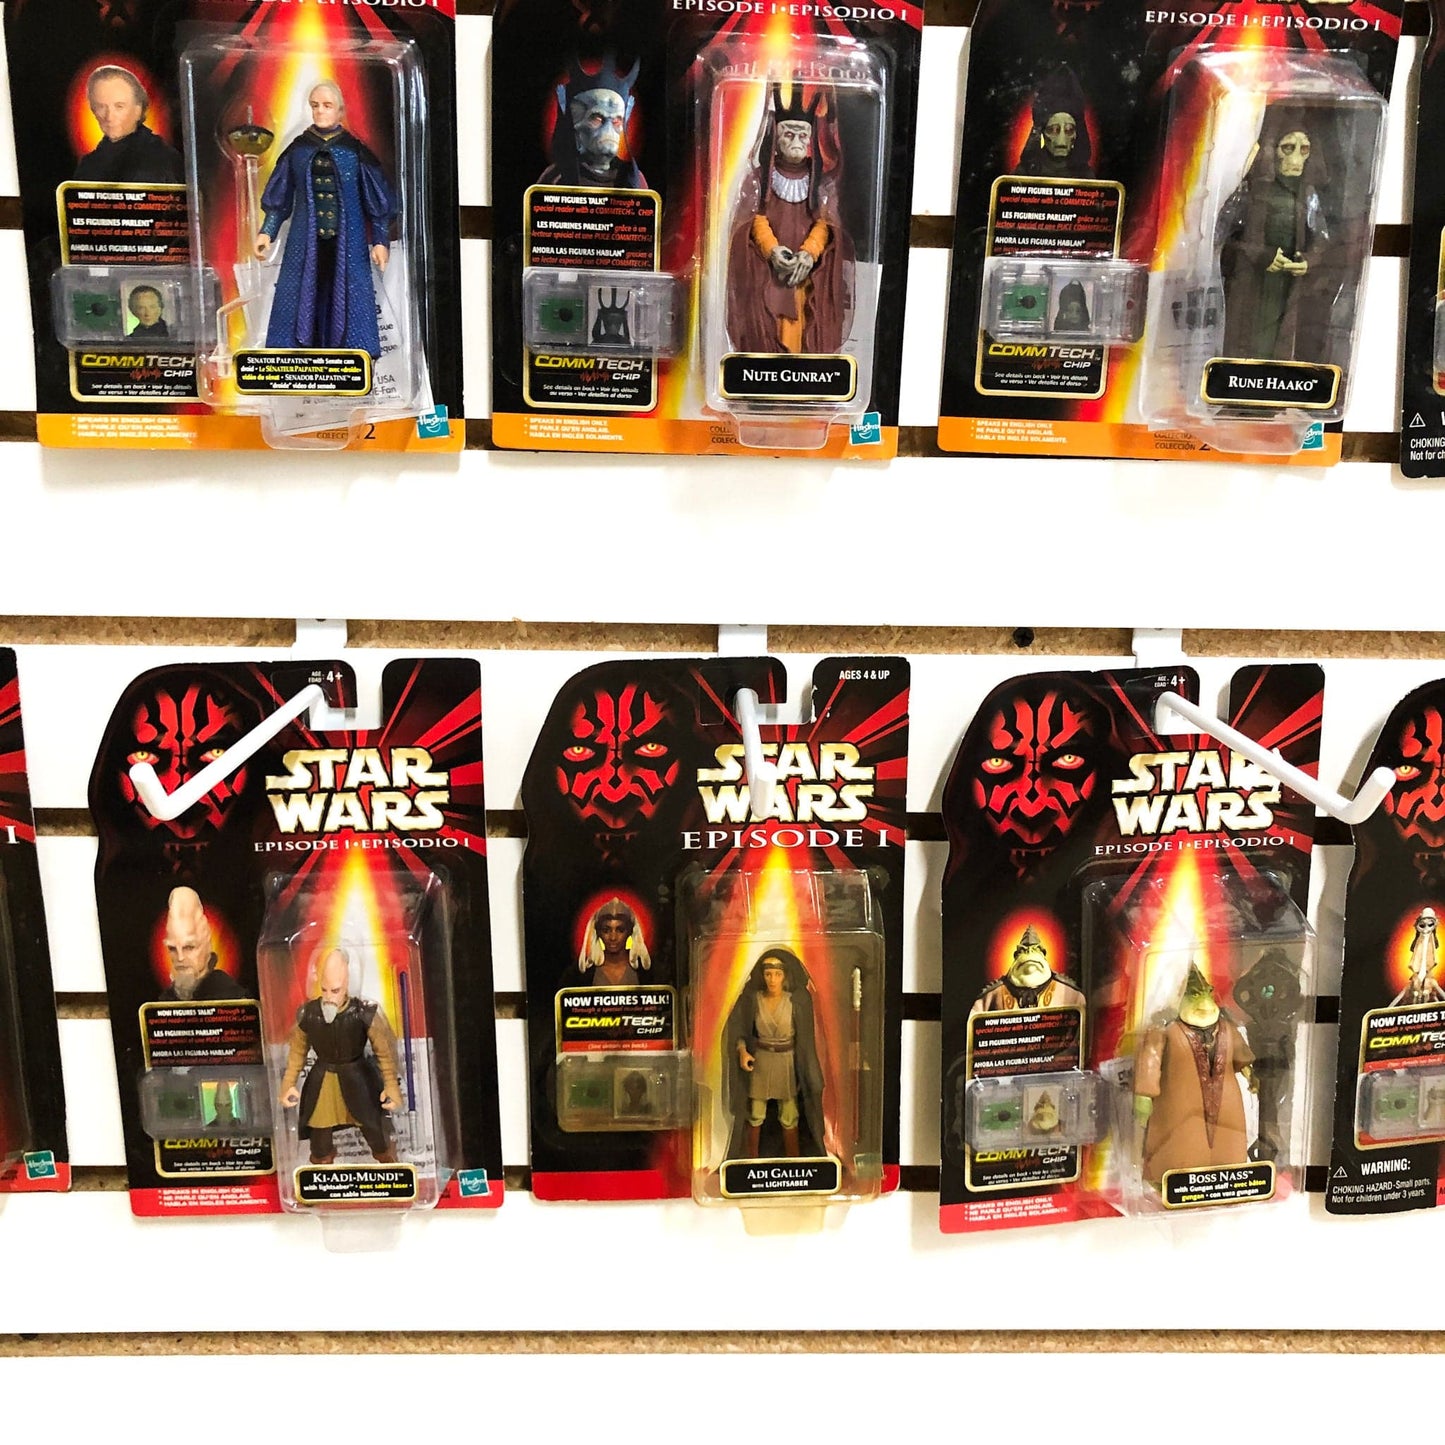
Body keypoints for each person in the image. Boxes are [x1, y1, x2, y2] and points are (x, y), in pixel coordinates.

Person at [253, 81, 397, 360]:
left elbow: (376, 199)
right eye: (315, 105)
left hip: (349, 241)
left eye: (327, 105)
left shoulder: (354, 151)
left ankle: (353, 354)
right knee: (302, 292)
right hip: (305, 240)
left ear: (340, 110)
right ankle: (296, 354)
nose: (320, 111)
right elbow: (281, 195)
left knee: (349, 293)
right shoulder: (298, 150)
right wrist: (267, 231)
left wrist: (380, 240)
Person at [726, 83, 852, 357]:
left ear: (810, 139)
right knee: (768, 328)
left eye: (802, 135)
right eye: (789, 134)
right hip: (769, 274)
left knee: (806, 330)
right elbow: (753, 219)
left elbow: (825, 223)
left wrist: (809, 254)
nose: (796, 141)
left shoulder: (821, 182)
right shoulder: (759, 179)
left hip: (807, 276)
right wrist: (772, 251)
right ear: (777, 136)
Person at [1134, 963, 1256, 1186]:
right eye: (1195, 995)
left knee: (1229, 1142)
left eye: (1207, 993)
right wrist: (1144, 1096)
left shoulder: (1226, 1028)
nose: (1205, 1003)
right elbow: (1149, 1063)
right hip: (1180, 1101)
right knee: (1182, 1143)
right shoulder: (1164, 1032)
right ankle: (1172, 1181)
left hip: (1227, 1102)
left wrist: (1250, 1072)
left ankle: (1228, 1181)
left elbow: (1240, 1054)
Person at [1219, 114, 1328, 362]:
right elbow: (1221, 239)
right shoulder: (1249, 191)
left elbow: (1321, 238)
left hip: (1289, 283)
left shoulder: (1308, 194)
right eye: (1288, 148)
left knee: (1283, 340)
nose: (1295, 159)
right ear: (1272, 149)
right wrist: (1259, 255)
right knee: (1247, 337)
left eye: (1303, 149)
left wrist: (1309, 260)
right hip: (1252, 282)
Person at [279, 947, 402, 1165]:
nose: (328, 997)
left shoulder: (363, 1013)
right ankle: (321, 1174)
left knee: (375, 1132)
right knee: (319, 1140)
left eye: (335, 990)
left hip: (358, 1079)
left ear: (346, 986)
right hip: (323, 1080)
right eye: (324, 990)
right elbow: (297, 1051)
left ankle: (390, 1167)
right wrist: (288, 1084)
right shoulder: (309, 1014)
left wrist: (391, 1086)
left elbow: (384, 1052)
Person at [725, 948, 824, 1159]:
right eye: (768, 974)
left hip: (786, 1062)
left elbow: (806, 1041)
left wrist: (805, 1069)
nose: (772, 979)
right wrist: (742, 1051)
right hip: (760, 1062)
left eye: (777, 974)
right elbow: (739, 1029)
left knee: (789, 1114)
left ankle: (793, 1161)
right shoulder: (753, 1000)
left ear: (784, 976)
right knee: (755, 1113)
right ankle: (751, 1160)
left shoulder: (796, 1001)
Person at [541, 53, 645, 189]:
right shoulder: (555, 178)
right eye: (598, 119)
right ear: (575, 125)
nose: (608, 130)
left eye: (616, 121)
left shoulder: (633, 179)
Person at [74, 65, 183, 184]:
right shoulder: (88, 165)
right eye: (101, 107)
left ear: (138, 110)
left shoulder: (164, 158)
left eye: (119, 106)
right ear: (93, 110)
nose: (109, 116)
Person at [970, 924, 1085, 1015]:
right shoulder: (992, 995)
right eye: (1024, 951)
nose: (1029, 953)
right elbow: (974, 1026)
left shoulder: (1069, 993)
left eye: (1035, 950)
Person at [159, 887, 246, 1002]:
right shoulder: (166, 1000)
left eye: (189, 947)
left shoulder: (230, 995)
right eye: (172, 949)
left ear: (206, 946)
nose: (180, 958)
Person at [1014, 68, 1093, 179]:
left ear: (1076, 134)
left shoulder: (1085, 176)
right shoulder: (1025, 173)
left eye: (1069, 130)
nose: (1061, 142)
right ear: (1042, 132)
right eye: (1053, 129)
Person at [576, 897, 650, 987]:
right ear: (598, 932)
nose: (613, 937)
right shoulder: (582, 973)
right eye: (606, 930)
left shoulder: (647, 970)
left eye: (620, 930)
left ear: (630, 932)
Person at [1391, 907, 1445, 1007]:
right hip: (1417, 975)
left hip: (1427, 975)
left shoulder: (1431, 941)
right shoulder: (1419, 940)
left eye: (1430, 924)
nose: (1426, 929)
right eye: (1423, 925)